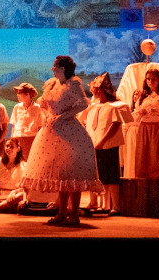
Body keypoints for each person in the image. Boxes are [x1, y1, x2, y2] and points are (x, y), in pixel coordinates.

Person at [21, 56, 101, 226]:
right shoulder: (51, 83)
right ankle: (62, 212)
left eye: (55, 66)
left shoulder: (73, 84)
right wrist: (48, 118)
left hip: (69, 131)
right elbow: (43, 104)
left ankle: (74, 214)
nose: (52, 68)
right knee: (60, 174)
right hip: (51, 131)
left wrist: (63, 116)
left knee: (72, 172)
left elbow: (82, 104)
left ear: (63, 68)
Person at [80, 73, 130, 214]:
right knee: (97, 174)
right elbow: (87, 123)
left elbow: (115, 125)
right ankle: (99, 203)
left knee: (111, 175)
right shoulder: (94, 107)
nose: (93, 92)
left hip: (108, 145)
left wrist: (103, 140)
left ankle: (115, 206)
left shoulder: (112, 107)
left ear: (101, 91)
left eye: (95, 89)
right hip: (95, 145)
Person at [124, 65, 159, 179]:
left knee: (158, 157)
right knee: (145, 156)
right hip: (145, 128)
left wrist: (156, 111)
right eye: (148, 79)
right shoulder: (144, 96)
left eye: (154, 79)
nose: (151, 81)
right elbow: (136, 115)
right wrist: (141, 112)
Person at [9, 82, 44, 159]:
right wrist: (12, 141)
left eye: (20, 93)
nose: (17, 95)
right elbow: (14, 125)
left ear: (27, 94)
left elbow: (40, 128)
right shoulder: (17, 107)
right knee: (18, 164)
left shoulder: (37, 108)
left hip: (31, 139)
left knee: (28, 162)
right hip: (17, 140)